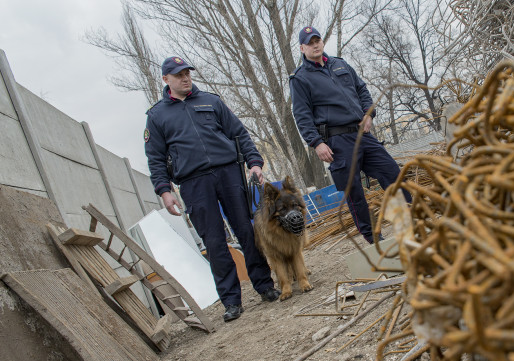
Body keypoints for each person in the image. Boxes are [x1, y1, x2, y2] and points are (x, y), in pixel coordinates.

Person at [145, 56, 280, 322]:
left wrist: (254, 163)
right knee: (215, 241)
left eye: (187, 73)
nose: (185, 78)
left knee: (246, 230)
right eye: (178, 74)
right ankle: (231, 301)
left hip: (228, 172)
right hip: (194, 183)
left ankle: (264, 286)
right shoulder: (157, 116)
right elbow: (155, 158)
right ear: (166, 80)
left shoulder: (211, 101)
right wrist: (165, 190)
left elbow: (239, 134)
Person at [289, 26, 411, 244]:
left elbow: (362, 90)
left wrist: (369, 113)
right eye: (310, 42)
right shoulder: (300, 78)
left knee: (392, 174)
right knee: (355, 194)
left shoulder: (340, 64)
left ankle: (410, 222)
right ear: (302, 48)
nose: (315, 44)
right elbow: (302, 115)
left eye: (317, 40)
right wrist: (316, 143)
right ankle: (376, 241)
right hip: (337, 141)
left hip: (362, 134)